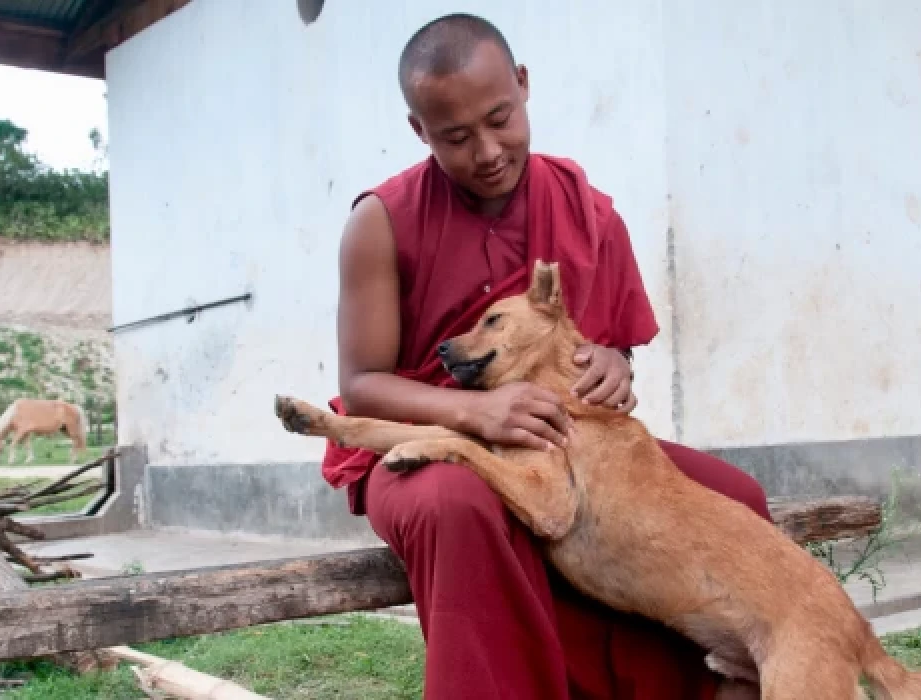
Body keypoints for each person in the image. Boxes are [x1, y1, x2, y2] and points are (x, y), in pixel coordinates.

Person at [324, 12, 772, 700]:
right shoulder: (381, 222)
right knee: (457, 502)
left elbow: (611, 342)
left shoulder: (588, 210)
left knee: (734, 496)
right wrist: (479, 412)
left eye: (500, 118)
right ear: (420, 131)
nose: (488, 150)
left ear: (524, 86)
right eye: (455, 137)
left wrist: (617, 366)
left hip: (558, 437)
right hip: (424, 439)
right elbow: (362, 387)